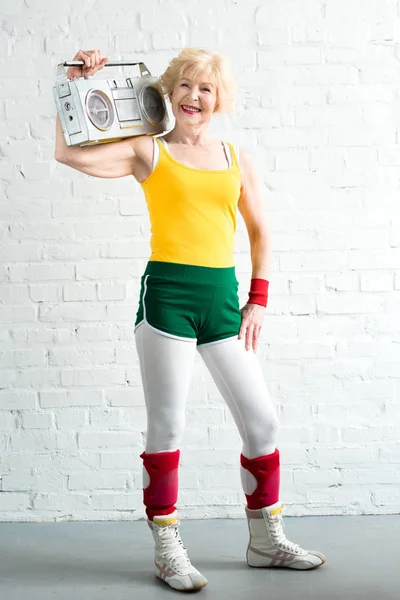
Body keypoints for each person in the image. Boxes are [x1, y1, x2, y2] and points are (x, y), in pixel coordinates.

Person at [55, 47, 326, 593]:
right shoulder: (146, 151)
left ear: (217, 97)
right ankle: (167, 548)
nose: (194, 97)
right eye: (184, 87)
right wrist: (74, 84)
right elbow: (69, 154)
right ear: (168, 94)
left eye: (204, 89)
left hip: (224, 303)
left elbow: (260, 231)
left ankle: (265, 540)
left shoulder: (234, 156)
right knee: (168, 425)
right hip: (168, 301)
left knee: (262, 423)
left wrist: (259, 299)